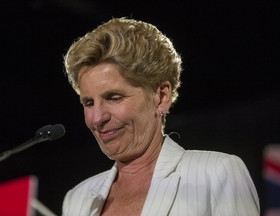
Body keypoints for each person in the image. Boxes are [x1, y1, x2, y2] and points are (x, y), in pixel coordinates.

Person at [62, 17, 260, 216]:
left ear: (162, 97)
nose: (97, 118)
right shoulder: (77, 198)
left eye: (114, 97)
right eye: (88, 103)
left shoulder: (216, 174)